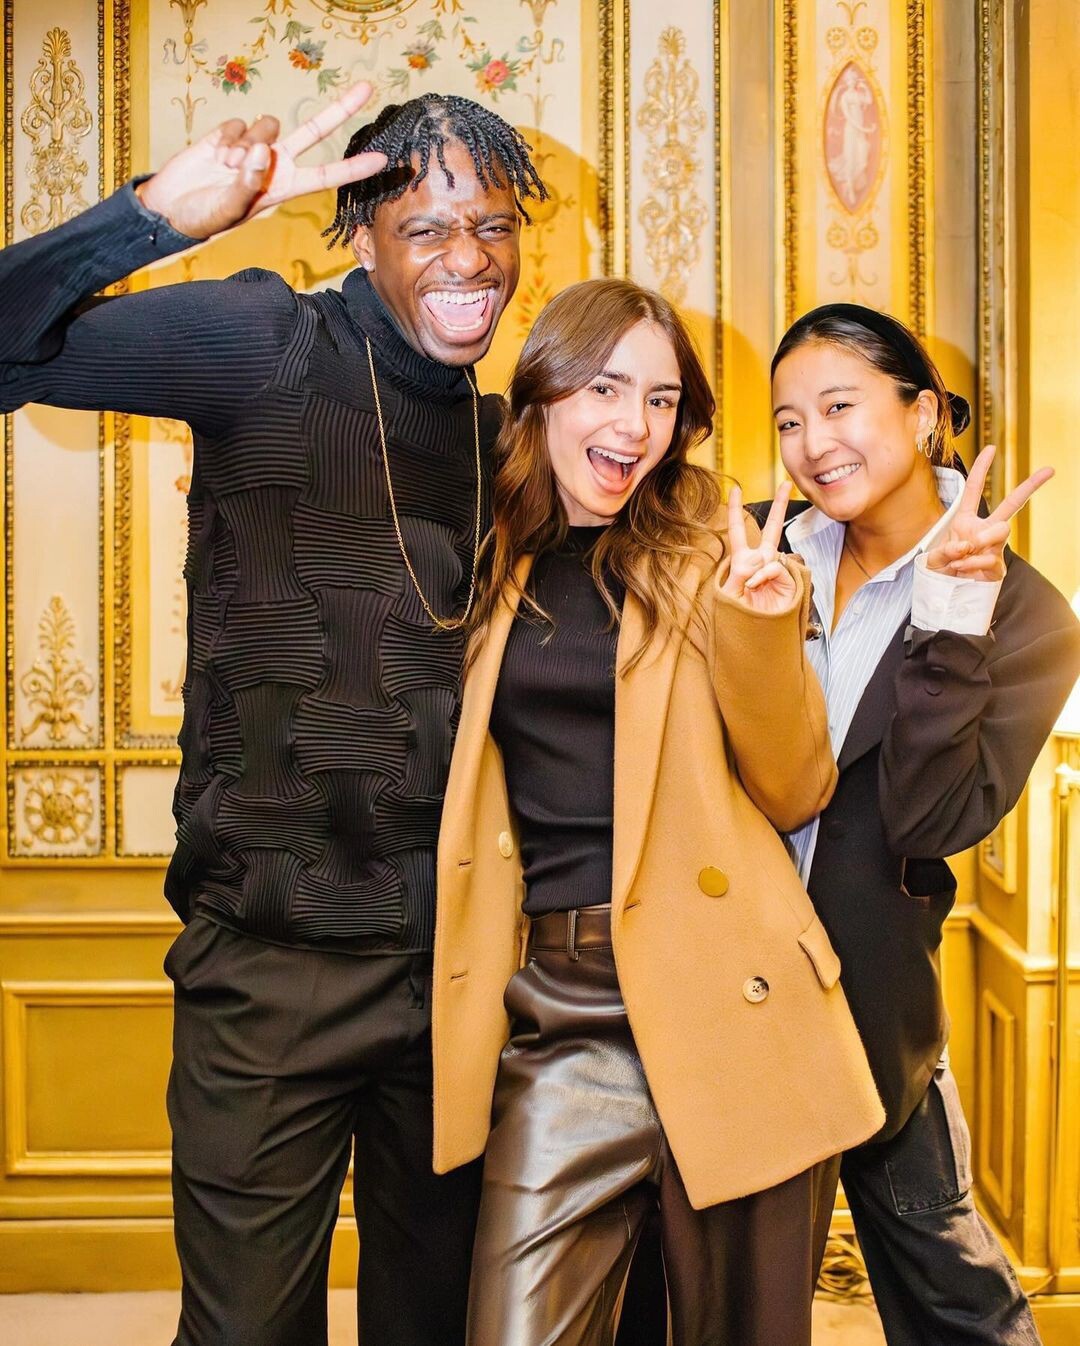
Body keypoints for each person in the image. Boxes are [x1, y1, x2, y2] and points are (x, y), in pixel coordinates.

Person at [0, 86, 547, 1346]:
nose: (469, 258)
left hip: (459, 972)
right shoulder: (268, 343)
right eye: (426, 226)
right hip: (270, 965)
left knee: (443, 1325)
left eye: (493, 224)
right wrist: (155, 218)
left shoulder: (505, 437)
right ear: (362, 234)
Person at [429, 277, 885, 1346]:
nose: (635, 424)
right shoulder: (488, 549)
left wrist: (761, 630)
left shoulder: (711, 547)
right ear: (543, 393)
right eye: (606, 387)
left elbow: (795, 786)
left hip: (729, 996)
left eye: (663, 399)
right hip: (563, 1009)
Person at [764, 303, 1080, 1344]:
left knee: (956, 1298)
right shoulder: (761, 548)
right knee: (734, 1292)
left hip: (873, 990)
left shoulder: (1030, 616)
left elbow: (929, 817)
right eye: (789, 421)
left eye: (839, 407)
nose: (813, 443)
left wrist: (949, 623)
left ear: (925, 413)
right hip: (731, 985)